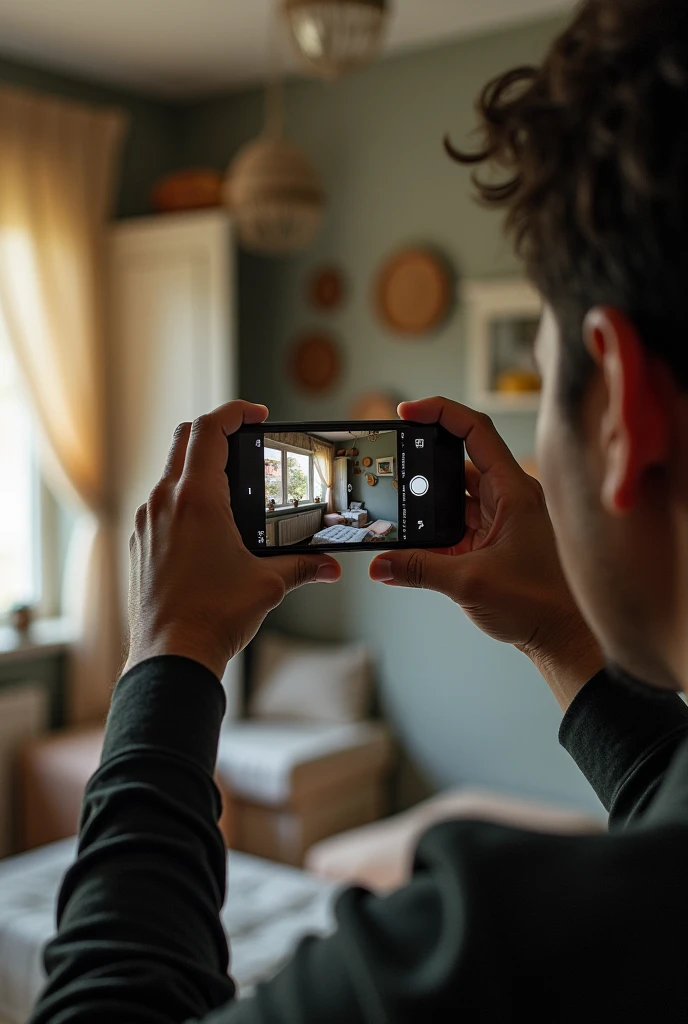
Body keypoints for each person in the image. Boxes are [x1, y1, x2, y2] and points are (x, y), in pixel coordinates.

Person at [28, 0, 688, 1019]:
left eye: (544, 373)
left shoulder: (494, 957)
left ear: (621, 411)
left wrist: (172, 648)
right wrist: (560, 628)